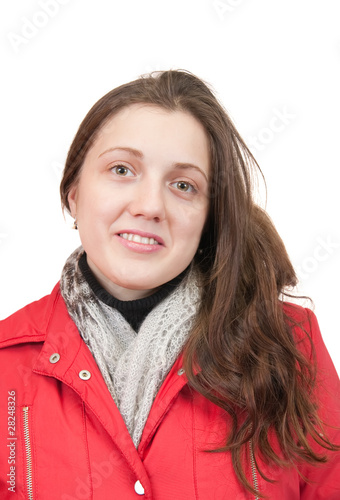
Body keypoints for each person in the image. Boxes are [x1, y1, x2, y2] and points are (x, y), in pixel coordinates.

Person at [0, 70, 339, 500]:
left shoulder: (288, 344)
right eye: (122, 169)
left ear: (208, 215)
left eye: (184, 185)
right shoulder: (7, 363)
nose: (149, 206)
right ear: (73, 192)